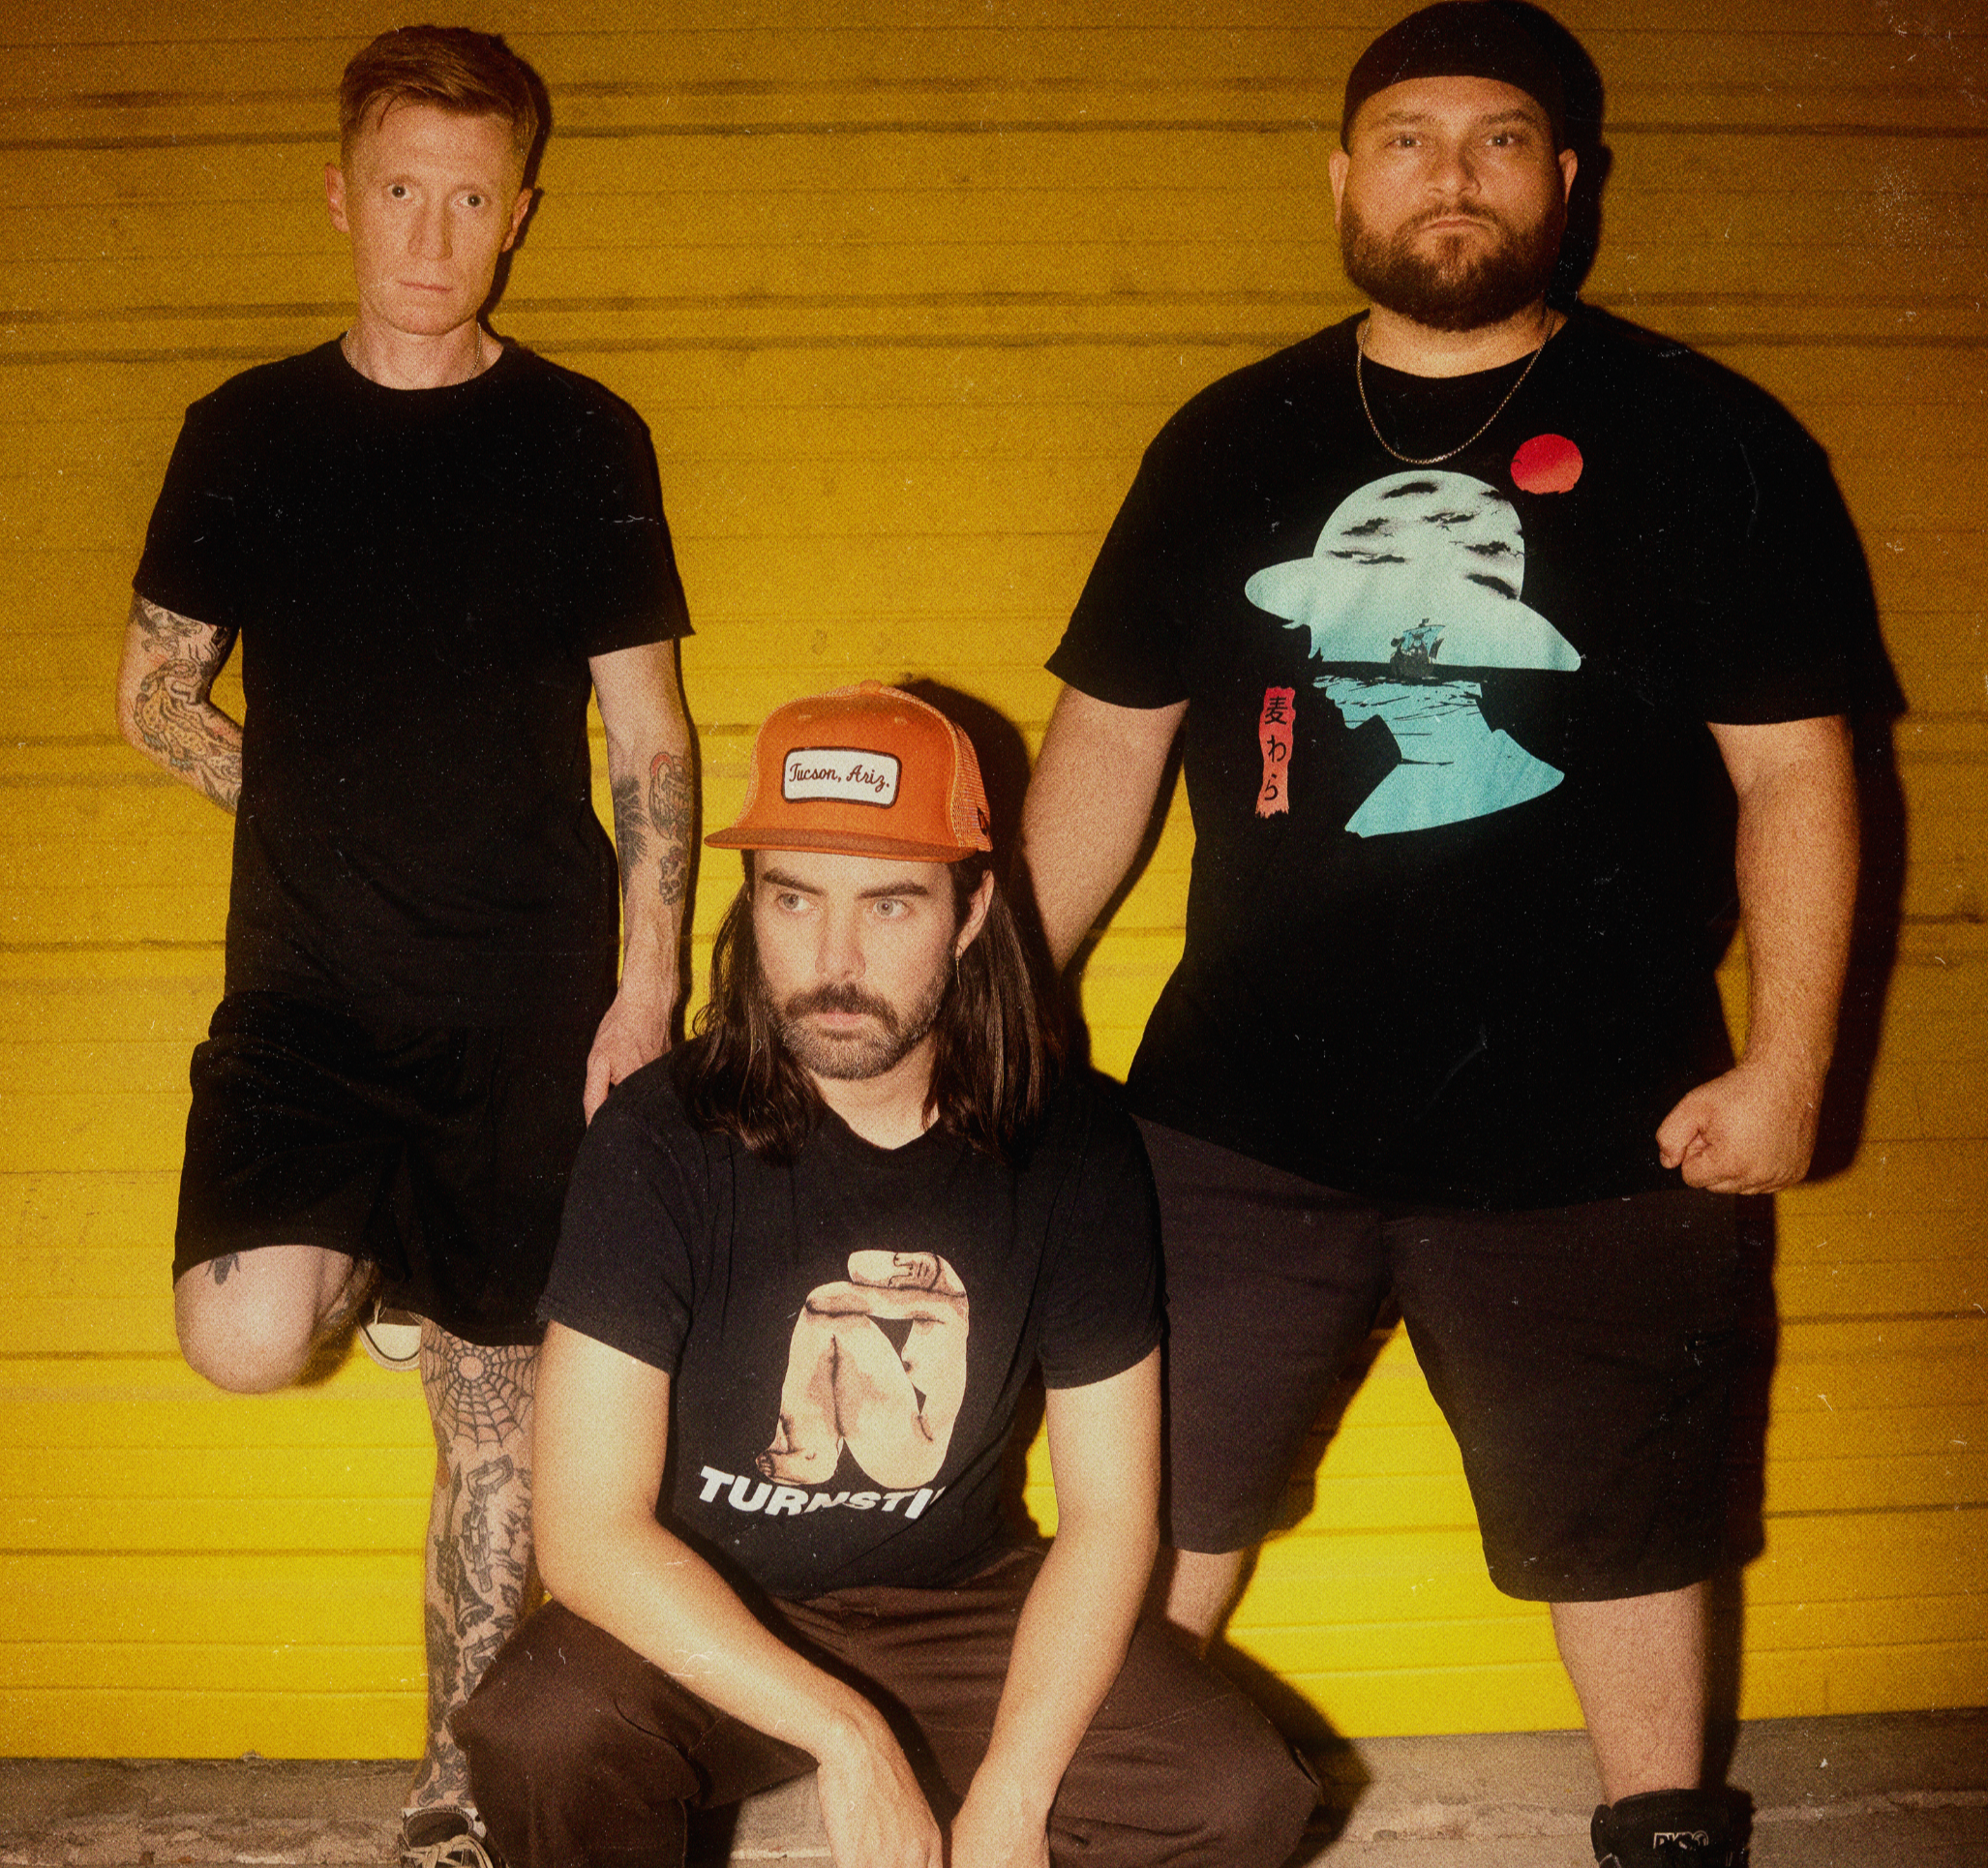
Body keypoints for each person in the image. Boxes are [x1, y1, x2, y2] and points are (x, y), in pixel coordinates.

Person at [1019, 6, 1887, 1865]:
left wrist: (1788, 1061)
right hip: (1233, 1129)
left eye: (1499, 141)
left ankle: (1661, 1838)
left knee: (1636, 1532)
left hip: (1600, 1130)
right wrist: (1007, 1010)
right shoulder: (1227, 435)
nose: (1449, 177)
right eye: (1405, 138)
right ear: (1340, 177)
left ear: (1565, 183)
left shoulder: (1708, 435)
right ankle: (1108, 1827)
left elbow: (1796, 779)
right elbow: (1104, 744)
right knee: (1154, 1515)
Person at [112, 27, 694, 1864]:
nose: (430, 232)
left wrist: (649, 978)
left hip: (525, 997)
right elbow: (154, 693)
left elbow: (651, 739)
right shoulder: (251, 432)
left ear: (515, 214)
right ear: (342, 195)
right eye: (398, 189)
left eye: (469, 198)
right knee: (248, 1331)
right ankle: (371, 1270)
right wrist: (299, 810)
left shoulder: (580, 434)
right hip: (307, 996)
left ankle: (458, 1783)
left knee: (501, 1429)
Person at [453, 682, 1319, 1868]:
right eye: (794, 898)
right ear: (751, 905)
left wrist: (1010, 1798)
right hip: (710, 1596)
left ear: (970, 915)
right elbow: (589, 1532)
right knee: (541, 1731)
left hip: (953, 1599)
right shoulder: (657, 1140)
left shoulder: (1070, 1145)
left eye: (891, 902)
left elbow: (1110, 1516)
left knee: (1234, 1792)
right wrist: (849, 1740)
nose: (835, 960)